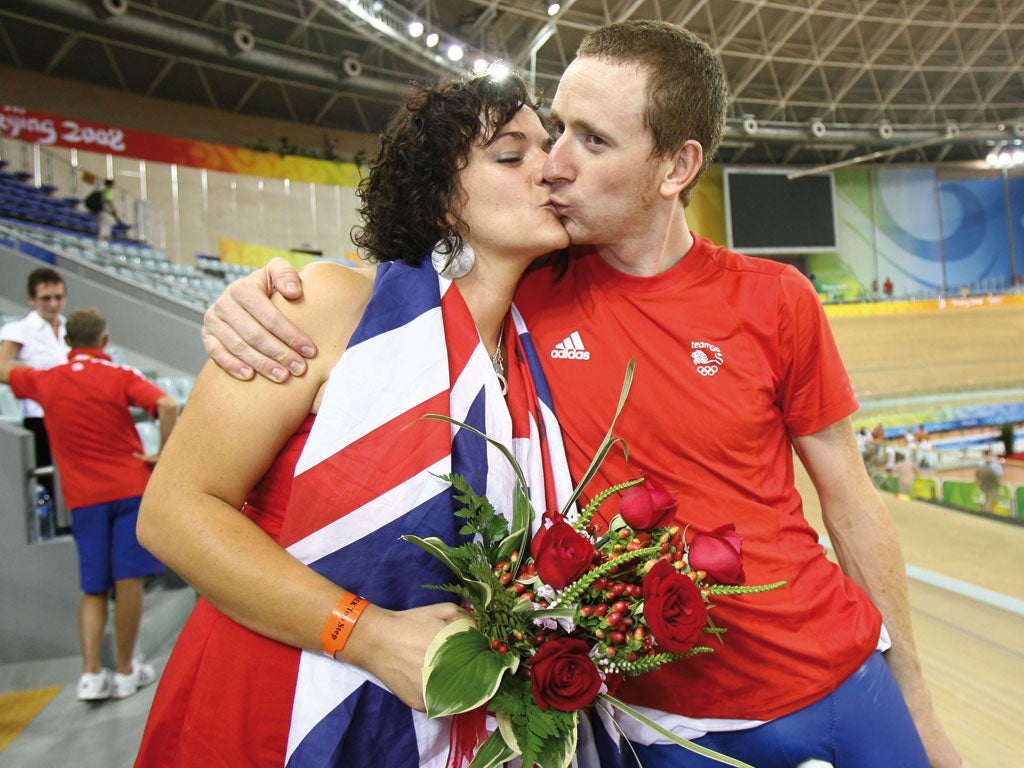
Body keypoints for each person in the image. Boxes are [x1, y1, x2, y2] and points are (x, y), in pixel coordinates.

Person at [201, 21, 963, 768]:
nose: (555, 164)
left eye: (591, 140)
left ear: (675, 168)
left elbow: (852, 502)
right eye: (553, 129)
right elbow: (406, 278)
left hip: (842, 669)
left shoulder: (777, 298)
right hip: (665, 721)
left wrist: (919, 701)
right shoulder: (525, 288)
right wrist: (259, 294)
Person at [133, 73, 576, 766]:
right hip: (275, 690)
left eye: (549, 149)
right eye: (511, 154)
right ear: (440, 197)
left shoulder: (536, 359)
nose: (549, 167)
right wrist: (364, 634)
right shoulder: (325, 303)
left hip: (437, 723)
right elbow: (172, 510)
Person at [0, 308, 177, 701]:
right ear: (103, 340)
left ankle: (91, 674)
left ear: (67, 342)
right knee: (127, 580)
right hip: (129, 490)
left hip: (84, 498)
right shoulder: (120, 375)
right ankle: (128, 671)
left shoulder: (46, 379)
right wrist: (161, 455)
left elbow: (4, 369)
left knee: (93, 588)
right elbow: (167, 405)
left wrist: (13, 337)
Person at [0, 267, 70, 502]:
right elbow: (2, 366)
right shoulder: (19, 330)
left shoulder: (71, 329)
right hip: (39, 414)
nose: (53, 304)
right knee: (48, 476)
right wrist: (41, 376)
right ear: (32, 300)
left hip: (71, 412)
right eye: (46, 298)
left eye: (58, 297)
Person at [975, 449, 1003, 514]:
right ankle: (987, 514)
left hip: (991, 484)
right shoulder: (981, 462)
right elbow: (977, 474)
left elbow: (999, 474)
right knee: (988, 499)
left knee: (990, 499)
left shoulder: (995, 462)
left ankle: (987, 513)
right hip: (986, 484)